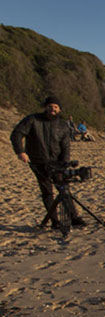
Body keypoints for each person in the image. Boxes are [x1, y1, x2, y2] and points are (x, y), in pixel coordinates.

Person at [10, 96, 85, 228]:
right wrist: (20, 152)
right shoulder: (32, 119)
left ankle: (74, 218)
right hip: (38, 162)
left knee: (64, 190)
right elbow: (16, 134)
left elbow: (66, 147)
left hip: (57, 163)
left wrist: (65, 163)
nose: (53, 109)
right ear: (46, 107)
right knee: (47, 192)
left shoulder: (62, 125)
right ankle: (55, 221)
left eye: (56, 107)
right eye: (50, 106)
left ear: (59, 109)